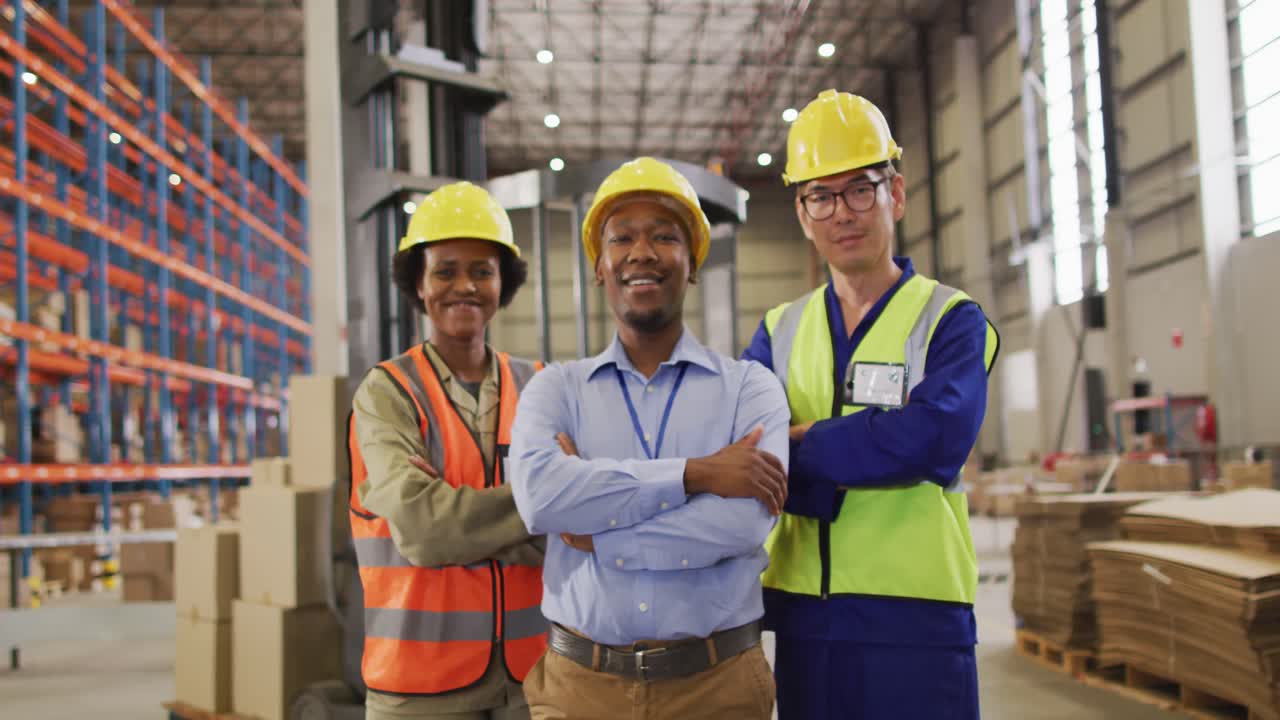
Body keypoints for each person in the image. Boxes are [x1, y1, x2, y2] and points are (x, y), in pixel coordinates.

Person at [742, 90, 1000, 719]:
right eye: (821, 196)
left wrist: (804, 444)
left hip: (917, 617)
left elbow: (936, 442)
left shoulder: (951, 319)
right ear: (803, 213)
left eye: (861, 188)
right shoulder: (779, 330)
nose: (843, 212)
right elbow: (750, 455)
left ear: (897, 195)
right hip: (805, 621)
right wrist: (869, 445)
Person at [506, 157, 790, 720]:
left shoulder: (749, 389)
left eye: (665, 236)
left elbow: (744, 522)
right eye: (622, 238)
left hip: (718, 688)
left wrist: (597, 534)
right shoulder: (554, 389)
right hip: (579, 689)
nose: (642, 252)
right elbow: (541, 498)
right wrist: (697, 474)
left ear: (692, 265)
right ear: (598, 266)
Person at [348, 182, 548, 720]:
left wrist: (458, 508)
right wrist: (540, 503)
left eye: (482, 271)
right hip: (418, 687)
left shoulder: (541, 387)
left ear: (503, 283)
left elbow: (579, 527)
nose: (465, 286)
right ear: (418, 282)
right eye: (445, 270)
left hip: (534, 680)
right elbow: (424, 529)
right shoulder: (388, 391)